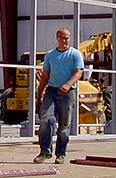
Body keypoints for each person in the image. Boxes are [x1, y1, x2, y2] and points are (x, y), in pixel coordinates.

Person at [33, 27, 84, 165]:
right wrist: (40, 92)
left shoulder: (75, 54)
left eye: (66, 38)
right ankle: (45, 152)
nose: (64, 41)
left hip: (68, 93)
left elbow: (78, 72)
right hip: (52, 91)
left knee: (64, 127)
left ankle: (61, 153)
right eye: (61, 38)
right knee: (46, 120)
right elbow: (45, 75)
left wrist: (68, 84)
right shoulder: (50, 55)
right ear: (57, 38)